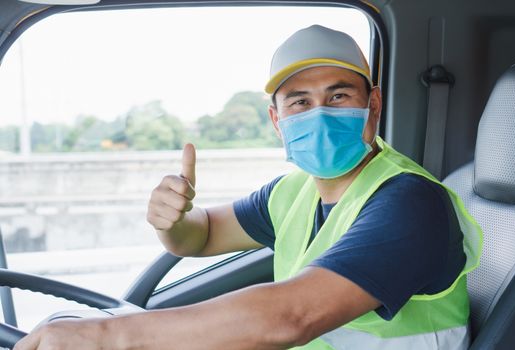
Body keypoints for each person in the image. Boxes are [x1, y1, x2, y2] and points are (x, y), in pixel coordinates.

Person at [15, 25, 482, 350]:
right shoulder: (292, 192)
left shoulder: (409, 201)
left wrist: (102, 336)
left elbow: (290, 317)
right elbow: (201, 236)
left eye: (339, 96)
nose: (318, 114)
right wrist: (172, 221)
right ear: (277, 120)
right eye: (299, 102)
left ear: (373, 104)